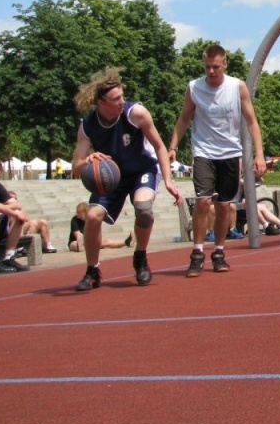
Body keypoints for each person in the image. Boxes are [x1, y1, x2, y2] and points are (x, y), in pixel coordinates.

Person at [71, 67, 183, 291]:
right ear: (101, 103)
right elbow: (76, 166)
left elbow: (160, 147)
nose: (122, 101)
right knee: (92, 216)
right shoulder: (88, 125)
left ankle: (140, 256)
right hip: (112, 176)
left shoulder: (136, 113)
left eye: (122, 96)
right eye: (116, 99)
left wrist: (169, 180)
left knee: (143, 208)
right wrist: (88, 160)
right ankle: (92, 270)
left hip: (142, 170)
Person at [169, 44, 266, 277]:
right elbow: (184, 118)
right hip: (203, 151)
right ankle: (197, 253)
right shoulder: (194, 87)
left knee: (224, 205)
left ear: (225, 64)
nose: (211, 71)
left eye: (215, 67)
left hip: (230, 152)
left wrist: (259, 154)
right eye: (207, 67)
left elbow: (252, 121)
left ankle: (219, 251)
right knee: (203, 201)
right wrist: (172, 147)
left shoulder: (237, 86)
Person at [68, 202, 133, 252]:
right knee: (76, 243)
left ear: (84, 212)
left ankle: (126, 242)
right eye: (77, 212)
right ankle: (81, 247)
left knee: (106, 242)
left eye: (79, 212)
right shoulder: (74, 220)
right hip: (75, 241)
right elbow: (78, 235)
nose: (77, 214)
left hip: (90, 241)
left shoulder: (91, 219)